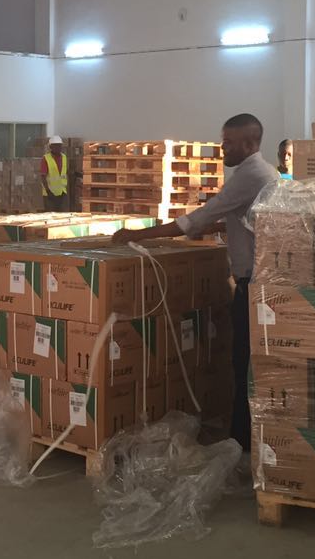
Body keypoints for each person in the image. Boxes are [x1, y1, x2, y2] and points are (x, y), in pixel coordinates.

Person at [113, 113, 277, 449]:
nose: (222, 148)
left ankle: (241, 442)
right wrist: (217, 227)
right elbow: (244, 219)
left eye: (228, 142)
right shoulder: (263, 173)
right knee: (243, 361)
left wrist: (139, 235)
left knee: (243, 362)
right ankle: (242, 436)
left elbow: (197, 218)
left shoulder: (249, 175)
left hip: (252, 284)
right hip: (258, 281)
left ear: (249, 144)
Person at [39, 135, 71, 212]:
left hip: (62, 192)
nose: (58, 148)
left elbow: (65, 174)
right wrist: (48, 191)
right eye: (55, 146)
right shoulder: (46, 158)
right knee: (51, 216)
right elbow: (43, 176)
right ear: (51, 147)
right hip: (50, 194)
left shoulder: (64, 157)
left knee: (64, 215)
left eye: (59, 146)